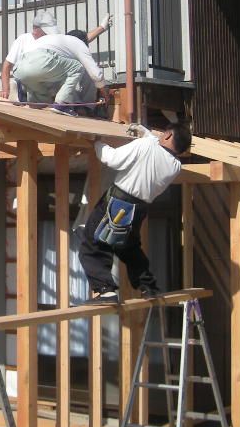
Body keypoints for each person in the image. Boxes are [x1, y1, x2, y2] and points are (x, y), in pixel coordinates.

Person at [78, 121, 192, 304]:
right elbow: (156, 146)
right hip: (138, 209)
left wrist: (97, 142)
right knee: (128, 248)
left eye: (163, 133)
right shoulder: (175, 165)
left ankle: (106, 291)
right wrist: (146, 132)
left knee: (93, 243)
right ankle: (149, 287)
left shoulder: (146, 145)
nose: (159, 136)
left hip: (117, 204)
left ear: (169, 135)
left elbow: (113, 158)